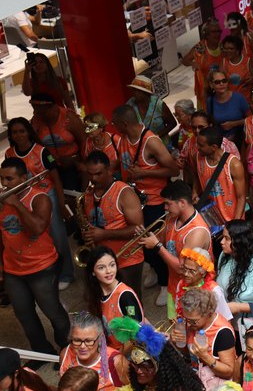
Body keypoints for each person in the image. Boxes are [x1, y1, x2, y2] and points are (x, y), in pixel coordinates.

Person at [0, 157, 70, 355]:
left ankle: (67, 349)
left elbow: (38, 227)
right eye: (2, 179)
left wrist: (17, 205)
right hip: (13, 269)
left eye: (9, 179)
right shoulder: (2, 202)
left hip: (42, 267)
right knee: (24, 315)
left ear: (24, 177)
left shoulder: (39, 198)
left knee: (53, 311)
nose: (4, 184)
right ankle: (42, 353)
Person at [112, 104, 181, 305]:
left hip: (153, 199)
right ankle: (153, 269)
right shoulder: (123, 139)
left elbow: (173, 170)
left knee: (153, 242)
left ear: (125, 123)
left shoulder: (151, 141)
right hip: (133, 198)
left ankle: (164, 283)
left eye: (115, 123)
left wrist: (144, 173)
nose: (113, 126)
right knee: (138, 240)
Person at [5, 117, 73, 290]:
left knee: (57, 235)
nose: (19, 135)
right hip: (23, 198)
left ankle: (66, 273)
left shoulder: (41, 151)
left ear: (28, 131)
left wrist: (60, 201)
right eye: (14, 132)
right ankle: (48, 270)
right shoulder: (9, 153)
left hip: (46, 195)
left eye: (22, 131)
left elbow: (55, 177)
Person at [137, 180, 211, 312]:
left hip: (193, 293)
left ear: (182, 203)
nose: (164, 207)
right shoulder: (171, 218)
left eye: (168, 204)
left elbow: (181, 268)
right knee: (174, 325)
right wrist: (146, 236)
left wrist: (157, 246)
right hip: (174, 286)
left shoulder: (196, 232)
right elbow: (161, 238)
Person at [82, 151, 145, 296]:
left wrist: (104, 234)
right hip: (103, 260)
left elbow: (139, 229)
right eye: (90, 174)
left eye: (98, 174)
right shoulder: (89, 194)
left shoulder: (124, 193)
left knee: (131, 304)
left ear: (109, 170)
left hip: (127, 260)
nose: (93, 179)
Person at [59, 311, 128, 391]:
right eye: (77, 340)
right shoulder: (65, 355)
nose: (82, 346)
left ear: (100, 339)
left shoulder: (115, 361)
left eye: (89, 341)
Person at [172, 287, 237, 391]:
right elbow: (189, 356)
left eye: (193, 321)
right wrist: (178, 343)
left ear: (208, 313)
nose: (188, 324)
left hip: (216, 388)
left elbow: (229, 371)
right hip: (196, 378)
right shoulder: (191, 324)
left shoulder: (223, 333)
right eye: (186, 319)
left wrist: (205, 356)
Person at [85, 246, 144, 349]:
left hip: (129, 354)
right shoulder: (98, 294)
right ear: (93, 272)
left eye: (112, 265)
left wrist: (116, 358)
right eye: (101, 267)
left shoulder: (125, 295)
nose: (109, 271)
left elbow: (135, 333)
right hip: (113, 350)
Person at [29, 93, 86, 191]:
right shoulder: (36, 121)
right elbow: (40, 148)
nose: (39, 115)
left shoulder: (69, 117)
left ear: (53, 108)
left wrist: (78, 160)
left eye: (43, 113)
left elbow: (84, 141)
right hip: (51, 163)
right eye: (36, 111)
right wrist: (53, 160)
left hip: (74, 162)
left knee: (73, 190)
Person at [193, 126, 247, 226]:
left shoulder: (233, 164)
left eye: (201, 145)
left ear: (213, 147)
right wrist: (195, 192)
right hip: (210, 220)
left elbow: (241, 198)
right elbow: (197, 175)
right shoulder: (197, 157)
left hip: (231, 220)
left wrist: (234, 225)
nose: (197, 147)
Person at [175, 247, 231, 322]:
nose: (186, 274)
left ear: (203, 272)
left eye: (192, 271)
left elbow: (226, 318)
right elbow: (178, 310)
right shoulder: (181, 284)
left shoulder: (214, 291)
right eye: (185, 269)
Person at [181, 18, 224, 108]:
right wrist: (194, 64)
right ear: (206, 34)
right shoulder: (200, 47)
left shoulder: (223, 46)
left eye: (219, 31)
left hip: (221, 87)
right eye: (214, 32)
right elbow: (185, 60)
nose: (218, 34)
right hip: (205, 90)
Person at [205, 70, 251, 149]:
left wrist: (234, 123)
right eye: (217, 82)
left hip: (240, 141)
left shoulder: (238, 98)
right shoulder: (210, 101)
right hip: (220, 144)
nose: (221, 84)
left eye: (224, 81)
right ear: (211, 85)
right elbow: (210, 122)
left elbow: (252, 119)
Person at [126, 75, 177, 142]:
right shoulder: (130, 105)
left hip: (162, 144)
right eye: (133, 90)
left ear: (145, 92)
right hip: (143, 148)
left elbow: (172, 123)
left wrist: (157, 136)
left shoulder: (159, 105)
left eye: (137, 91)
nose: (134, 93)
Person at [221, 35, 253, 100]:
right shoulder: (223, 62)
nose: (227, 51)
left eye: (231, 49)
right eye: (225, 48)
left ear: (238, 50)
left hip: (246, 100)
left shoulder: (248, 61)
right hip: (230, 101)